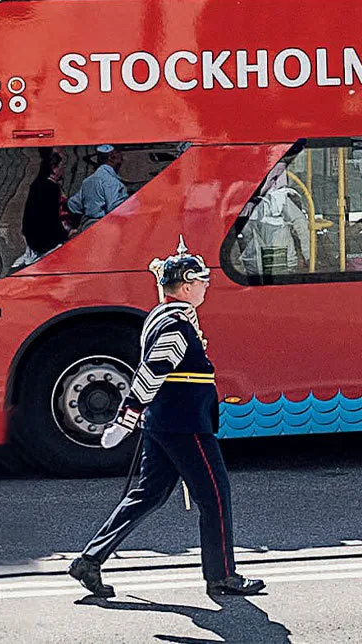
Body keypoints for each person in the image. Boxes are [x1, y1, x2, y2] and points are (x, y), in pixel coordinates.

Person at [68, 239, 265, 599]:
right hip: (184, 424)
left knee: (148, 495)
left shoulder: (166, 316)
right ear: (187, 284)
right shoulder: (174, 324)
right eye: (202, 280)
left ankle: (90, 559)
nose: (207, 285)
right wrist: (124, 420)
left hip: (166, 422)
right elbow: (151, 373)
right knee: (215, 497)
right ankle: (221, 576)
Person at [19, 150, 70, 263]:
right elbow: (51, 219)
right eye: (62, 166)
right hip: (45, 241)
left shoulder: (37, 185)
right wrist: (67, 235)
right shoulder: (51, 189)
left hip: (33, 239)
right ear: (53, 168)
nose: (64, 170)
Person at [68, 145, 129, 230]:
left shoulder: (87, 181)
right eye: (119, 153)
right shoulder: (112, 182)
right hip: (103, 229)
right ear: (111, 157)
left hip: (86, 228)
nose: (123, 158)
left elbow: (73, 205)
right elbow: (115, 209)